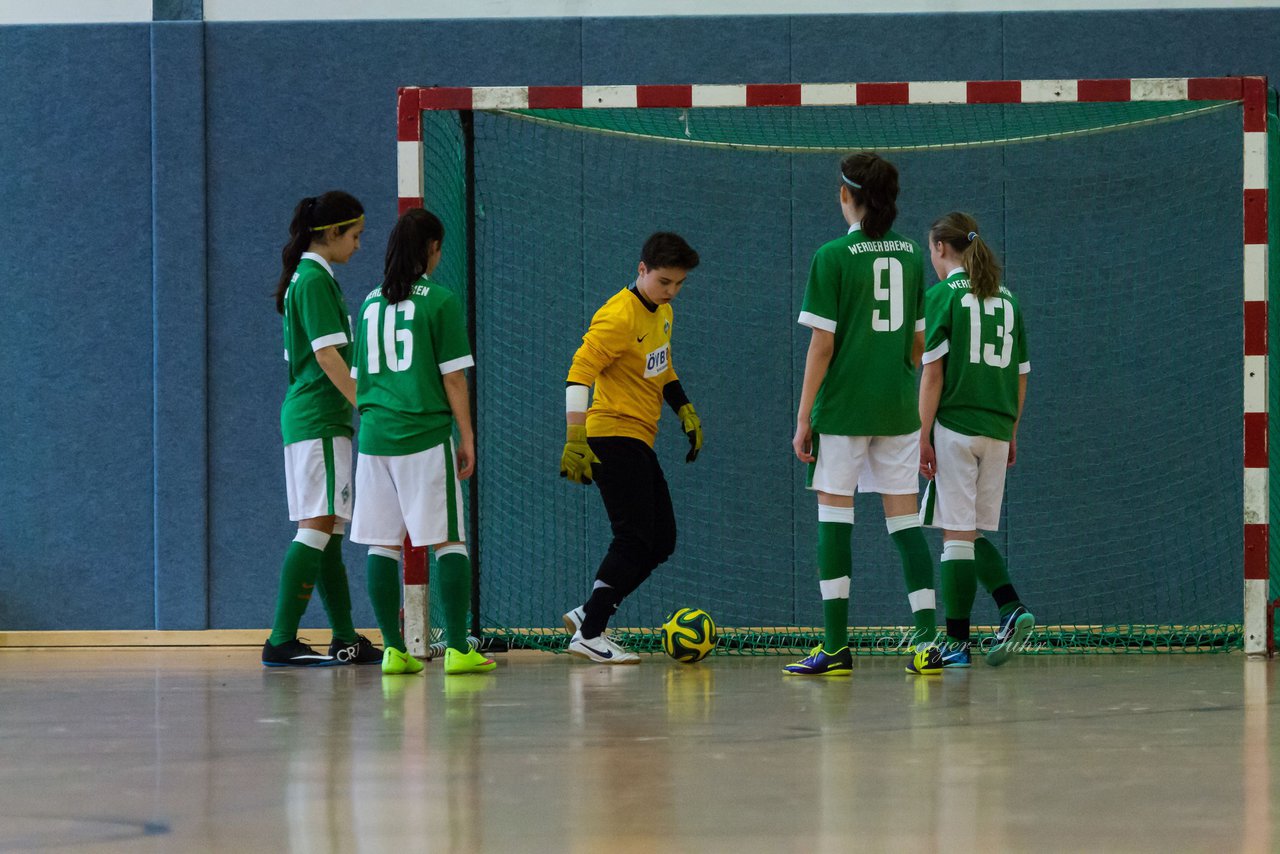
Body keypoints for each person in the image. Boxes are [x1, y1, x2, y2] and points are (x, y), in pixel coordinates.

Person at [785, 152, 936, 677]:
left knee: (835, 519)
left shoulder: (831, 257)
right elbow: (918, 344)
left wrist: (804, 416)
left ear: (849, 196)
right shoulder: (914, 254)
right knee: (905, 522)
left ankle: (835, 647)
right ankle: (925, 642)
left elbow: (821, 346)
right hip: (896, 409)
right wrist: (891, 377)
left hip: (844, 410)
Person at [349, 208, 496, 676]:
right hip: (424, 437)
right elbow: (454, 379)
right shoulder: (441, 301)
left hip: (374, 440)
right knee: (449, 540)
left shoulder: (369, 303)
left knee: (381, 544)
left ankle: (393, 650)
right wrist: (467, 437)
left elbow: (359, 378)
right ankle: (457, 649)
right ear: (431, 248)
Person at [559, 232, 704, 665]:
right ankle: (590, 632)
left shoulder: (663, 312)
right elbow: (578, 374)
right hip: (610, 435)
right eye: (664, 281)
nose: (672, 291)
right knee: (634, 536)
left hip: (641, 436)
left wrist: (684, 409)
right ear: (642, 270)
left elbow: (663, 367)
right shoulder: (617, 316)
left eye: (679, 284)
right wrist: (575, 437)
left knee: (662, 541)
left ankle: (589, 612)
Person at [910, 212, 1034, 674]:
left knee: (955, 536)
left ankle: (961, 641)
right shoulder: (1009, 301)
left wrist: (922, 436)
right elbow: (1021, 377)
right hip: (999, 430)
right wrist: (1013, 430)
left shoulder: (942, 295)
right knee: (967, 530)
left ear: (941, 249)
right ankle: (1008, 609)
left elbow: (933, 372)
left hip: (956, 426)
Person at [263, 191, 382, 667]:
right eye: (354, 236)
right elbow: (328, 356)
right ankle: (280, 639)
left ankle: (344, 636)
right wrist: (367, 405)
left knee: (330, 526)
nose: (358, 246)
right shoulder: (313, 280)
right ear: (332, 234)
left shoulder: (311, 279)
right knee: (316, 525)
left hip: (317, 418)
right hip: (318, 416)